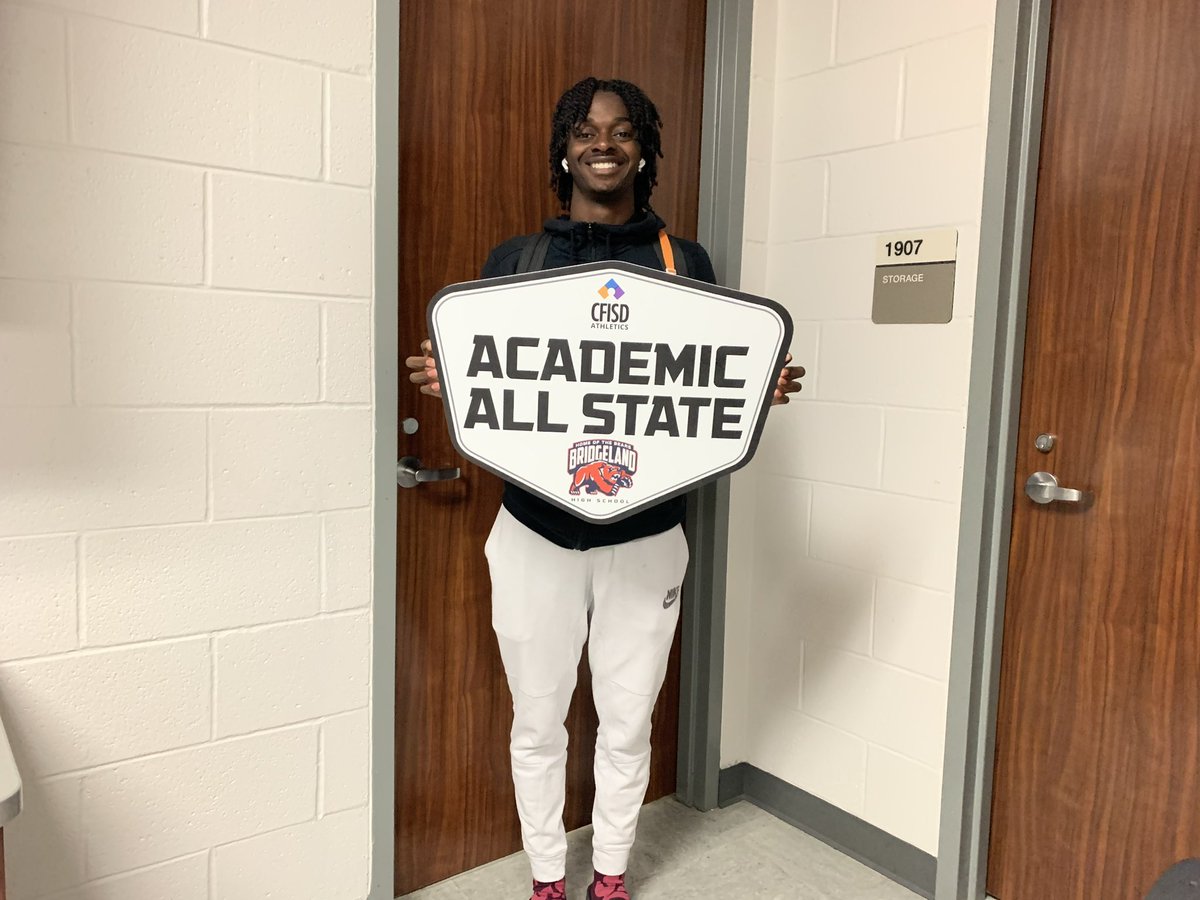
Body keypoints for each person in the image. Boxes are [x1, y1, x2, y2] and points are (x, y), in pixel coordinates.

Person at [407, 76, 804, 900]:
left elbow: (702, 383)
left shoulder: (683, 262)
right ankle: (548, 876)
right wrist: (455, 382)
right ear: (565, 147)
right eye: (586, 130)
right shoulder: (517, 261)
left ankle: (612, 874)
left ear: (643, 149)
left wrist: (747, 390)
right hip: (532, 532)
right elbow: (497, 382)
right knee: (536, 720)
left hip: (648, 535)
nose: (603, 143)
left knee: (628, 722)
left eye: (622, 132)